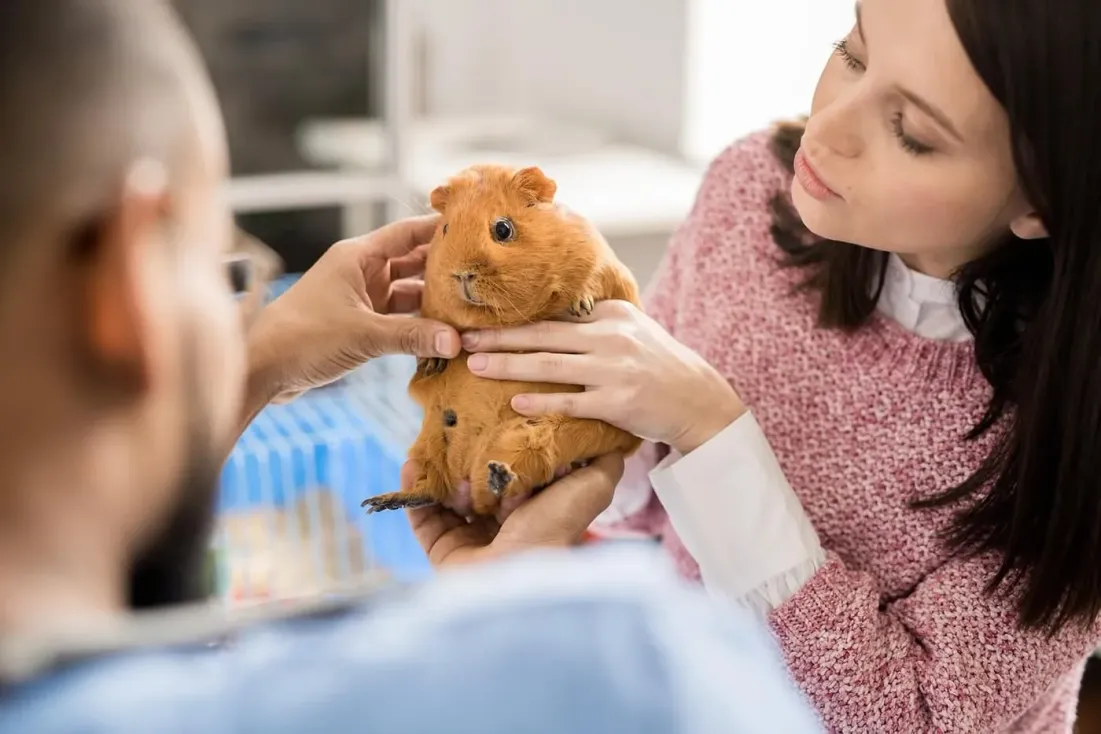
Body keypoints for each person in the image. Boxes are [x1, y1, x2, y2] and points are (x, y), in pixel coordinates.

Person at [0, 1, 821, 732]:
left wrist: (258, 366)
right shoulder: (627, 667)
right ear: (131, 281)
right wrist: (499, 609)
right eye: (223, 272)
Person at [445, 0, 1101, 731]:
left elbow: (910, 719)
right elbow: (649, 495)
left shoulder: (1074, 421)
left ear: (1044, 193)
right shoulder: (751, 189)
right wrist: (547, 453)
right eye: (851, 53)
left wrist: (714, 436)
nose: (828, 128)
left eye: (911, 133)